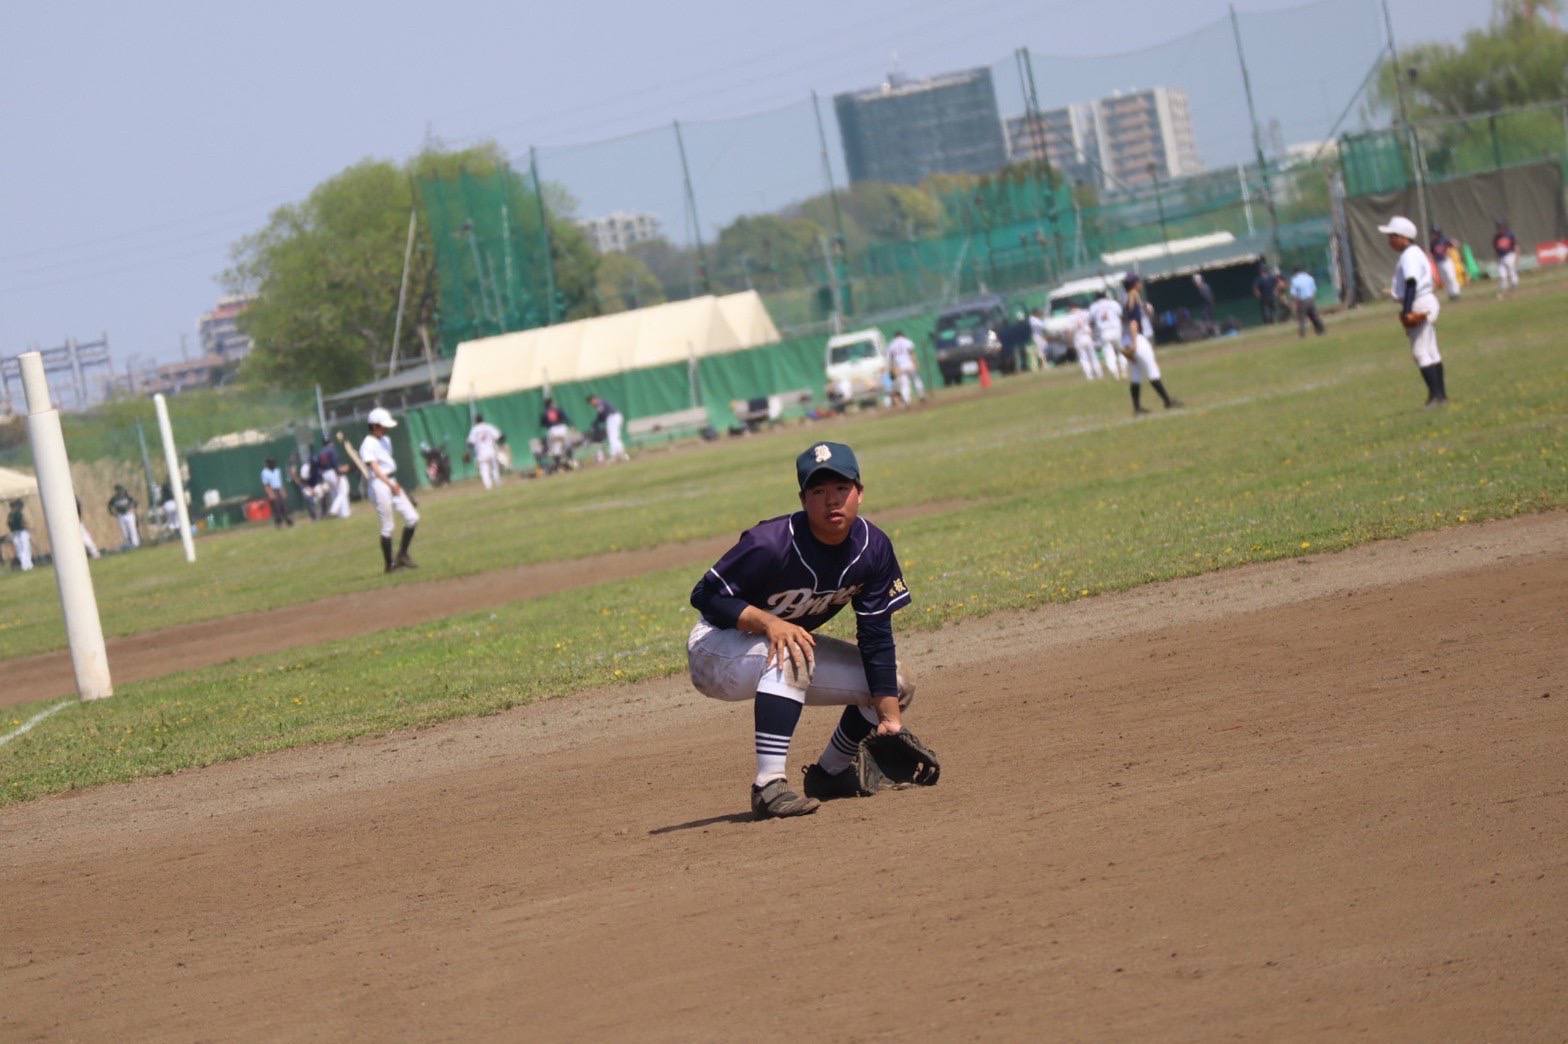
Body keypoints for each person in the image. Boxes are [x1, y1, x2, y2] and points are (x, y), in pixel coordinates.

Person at [687, 442, 919, 820]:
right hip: (715, 650)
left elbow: (876, 635)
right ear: (803, 498)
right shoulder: (770, 543)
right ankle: (769, 786)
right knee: (792, 648)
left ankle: (831, 773)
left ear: (860, 492)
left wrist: (890, 720)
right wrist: (769, 623)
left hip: (778, 648)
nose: (832, 501)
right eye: (819, 492)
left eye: (842, 489)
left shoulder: (873, 548)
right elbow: (705, 595)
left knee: (897, 683)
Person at [1380, 215, 1449, 409]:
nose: (1390, 240)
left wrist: (1407, 310)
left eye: (1392, 236)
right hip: (1424, 299)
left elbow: (1411, 282)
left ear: (1403, 237)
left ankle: (1437, 397)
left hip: (1419, 301)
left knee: (1420, 352)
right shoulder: (1415, 252)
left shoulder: (1409, 255)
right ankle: (1440, 396)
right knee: (1431, 350)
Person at [361, 406, 419, 572]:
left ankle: (402, 555)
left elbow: (388, 464)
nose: (385, 429)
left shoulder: (386, 441)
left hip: (391, 480)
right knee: (388, 526)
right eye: (382, 426)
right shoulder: (367, 444)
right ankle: (389, 565)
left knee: (412, 518)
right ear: (374, 426)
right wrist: (390, 485)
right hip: (380, 484)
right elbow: (376, 469)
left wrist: (398, 486)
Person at [1122, 275, 1182, 416]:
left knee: (1136, 374)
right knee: (1152, 369)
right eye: (1139, 281)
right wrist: (1135, 342)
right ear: (1135, 283)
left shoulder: (1126, 299)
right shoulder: (1133, 298)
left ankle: (1137, 408)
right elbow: (1133, 322)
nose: (1140, 284)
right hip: (1136, 338)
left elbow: (1127, 318)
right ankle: (1167, 401)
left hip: (1126, 338)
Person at [1088, 290, 1127, 380]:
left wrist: (1093, 331)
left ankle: (1115, 372)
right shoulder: (1113, 303)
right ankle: (1124, 370)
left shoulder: (1093, 307)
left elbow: (1091, 323)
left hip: (1103, 332)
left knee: (1108, 353)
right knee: (1121, 350)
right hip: (1116, 329)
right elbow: (1121, 316)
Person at [466, 412, 507, 488]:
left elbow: (470, 442)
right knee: (494, 468)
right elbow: (499, 437)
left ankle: (488, 486)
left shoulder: (474, 429)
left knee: (484, 469)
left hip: (481, 452)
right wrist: (501, 441)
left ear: (475, 421)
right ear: (483, 419)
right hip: (491, 450)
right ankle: (497, 483)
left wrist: (467, 451)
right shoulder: (489, 426)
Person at [885, 330, 925, 406]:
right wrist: (916, 363)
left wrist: (893, 368)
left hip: (900, 366)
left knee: (905, 384)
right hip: (909, 364)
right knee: (916, 379)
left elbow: (890, 359)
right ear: (902, 335)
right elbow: (911, 353)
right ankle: (922, 395)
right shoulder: (907, 341)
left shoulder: (891, 344)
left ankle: (906, 400)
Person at [317, 435, 351, 518]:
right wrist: (338, 474)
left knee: (334, 493)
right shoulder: (331, 449)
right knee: (343, 491)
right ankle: (334, 510)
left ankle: (342, 514)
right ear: (330, 442)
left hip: (324, 474)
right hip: (332, 472)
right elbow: (335, 462)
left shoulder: (321, 452)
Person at [586, 395, 628, 463]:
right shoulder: (600, 404)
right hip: (615, 417)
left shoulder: (601, 403)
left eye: (591, 402)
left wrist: (596, 422)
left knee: (612, 437)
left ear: (594, 399)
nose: (591, 404)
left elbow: (602, 415)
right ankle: (622, 454)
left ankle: (614, 455)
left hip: (612, 417)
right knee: (615, 438)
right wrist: (596, 421)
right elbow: (601, 416)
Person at [1289, 266, 1326, 338]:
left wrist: (1296, 305)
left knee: (1301, 319)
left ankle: (1302, 334)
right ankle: (1321, 330)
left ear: (1295, 272)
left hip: (1302, 301)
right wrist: (1312, 299)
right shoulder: (1309, 277)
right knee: (1315, 316)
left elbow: (1294, 295)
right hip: (1310, 299)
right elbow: (1314, 290)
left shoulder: (1295, 280)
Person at [1069, 304, 1101, 380]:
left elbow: (1069, 330)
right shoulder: (1085, 313)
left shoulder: (1070, 317)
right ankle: (1099, 373)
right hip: (1087, 336)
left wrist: (1069, 340)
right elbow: (1092, 323)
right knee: (1093, 356)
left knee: (1083, 358)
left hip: (1078, 338)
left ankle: (1089, 376)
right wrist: (1092, 333)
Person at [260, 457, 293, 529]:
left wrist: (283, 490)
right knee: (276, 508)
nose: (272, 464)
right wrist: (270, 493)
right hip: (272, 490)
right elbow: (266, 485)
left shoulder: (277, 470)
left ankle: (288, 519)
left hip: (278, 489)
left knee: (284, 505)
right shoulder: (264, 472)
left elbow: (280, 481)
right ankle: (278, 523)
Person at [1429, 226, 1461, 300]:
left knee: (1450, 276)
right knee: (1445, 279)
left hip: (1446, 261)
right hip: (1439, 263)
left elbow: (1455, 243)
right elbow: (1432, 253)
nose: (1433, 235)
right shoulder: (1433, 243)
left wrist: (1452, 247)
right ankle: (1451, 294)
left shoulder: (1444, 240)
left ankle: (1456, 292)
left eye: (1434, 233)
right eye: (1432, 234)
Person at [1493, 219, 1520, 297]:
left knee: (1511, 272)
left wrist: (1517, 256)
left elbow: (1516, 245)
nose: (1500, 229)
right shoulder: (1496, 238)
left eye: (1501, 227)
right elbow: (1496, 250)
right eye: (1498, 227)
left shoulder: (1510, 235)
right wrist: (1496, 259)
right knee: (1502, 275)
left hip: (1509, 255)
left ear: (1504, 227)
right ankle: (1503, 290)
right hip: (1501, 257)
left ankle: (1514, 287)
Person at [108, 484, 139, 550]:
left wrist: (132, 508)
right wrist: (113, 513)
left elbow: (135, 503)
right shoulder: (114, 498)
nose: (119, 491)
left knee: (132, 529)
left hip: (129, 514)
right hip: (121, 516)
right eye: (117, 490)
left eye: (120, 489)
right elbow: (109, 506)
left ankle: (135, 544)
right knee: (125, 532)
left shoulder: (127, 496)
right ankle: (129, 544)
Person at [289, 454, 318, 521]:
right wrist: (297, 480)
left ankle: (315, 515)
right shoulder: (303, 466)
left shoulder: (308, 466)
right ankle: (314, 516)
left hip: (308, 483)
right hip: (305, 484)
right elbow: (297, 475)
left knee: (312, 500)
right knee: (309, 499)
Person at [7, 498, 32, 571]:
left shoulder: (10, 515)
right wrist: (29, 527)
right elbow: (22, 523)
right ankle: (28, 565)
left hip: (14, 533)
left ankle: (24, 565)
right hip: (22, 532)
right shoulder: (18, 513)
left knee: (20, 550)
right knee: (25, 549)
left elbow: (9, 524)